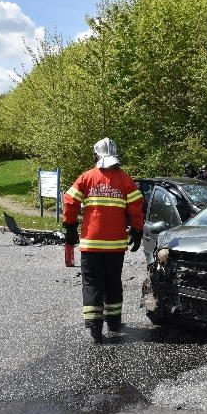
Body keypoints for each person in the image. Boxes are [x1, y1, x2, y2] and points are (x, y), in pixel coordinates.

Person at [63, 138, 145, 344]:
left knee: (92, 284)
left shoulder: (87, 178)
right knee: (113, 283)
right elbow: (136, 205)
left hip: (91, 244)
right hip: (116, 245)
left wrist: (70, 227)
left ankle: (94, 327)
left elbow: (70, 201)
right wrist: (137, 230)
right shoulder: (125, 179)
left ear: (96, 155)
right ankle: (113, 321)